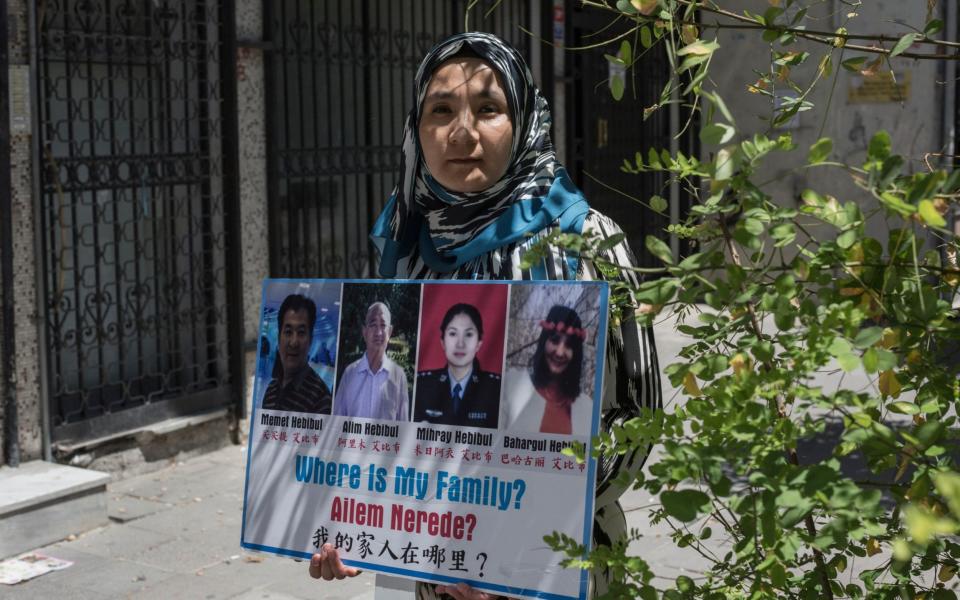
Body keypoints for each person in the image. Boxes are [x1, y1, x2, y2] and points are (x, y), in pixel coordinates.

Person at [309, 32, 661, 599]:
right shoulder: (407, 251)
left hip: (556, 568)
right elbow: (383, 432)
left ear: (522, 120)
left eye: (489, 108)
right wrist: (355, 526)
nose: (463, 131)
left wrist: (508, 540)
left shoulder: (587, 242)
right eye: (440, 110)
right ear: (416, 129)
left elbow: (639, 419)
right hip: (432, 571)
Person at [502, 305, 592, 436]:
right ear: (544, 341)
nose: (560, 352)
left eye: (569, 345)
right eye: (555, 341)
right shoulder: (512, 384)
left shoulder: (587, 408)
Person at [413, 303, 501, 428]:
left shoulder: (496, 390)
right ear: (443, 341)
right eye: (453, 334)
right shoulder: (421, 386)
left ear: (479, 343)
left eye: (469, 334)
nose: (460, 344)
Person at [332, 302, 409, 421]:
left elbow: (403, 429)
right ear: (364, 332)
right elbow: (335, 424)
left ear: (390, 332)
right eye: (373, 325)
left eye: (383, 325)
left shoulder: (399, 376)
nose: (378, 333)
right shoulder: (350, 373)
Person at [261, 294, 332, 414]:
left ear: (310, 340)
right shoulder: (270, 391)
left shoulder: (321, 399)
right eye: (288, 332)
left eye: (301, 332)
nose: (294, 342)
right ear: (279, 338)